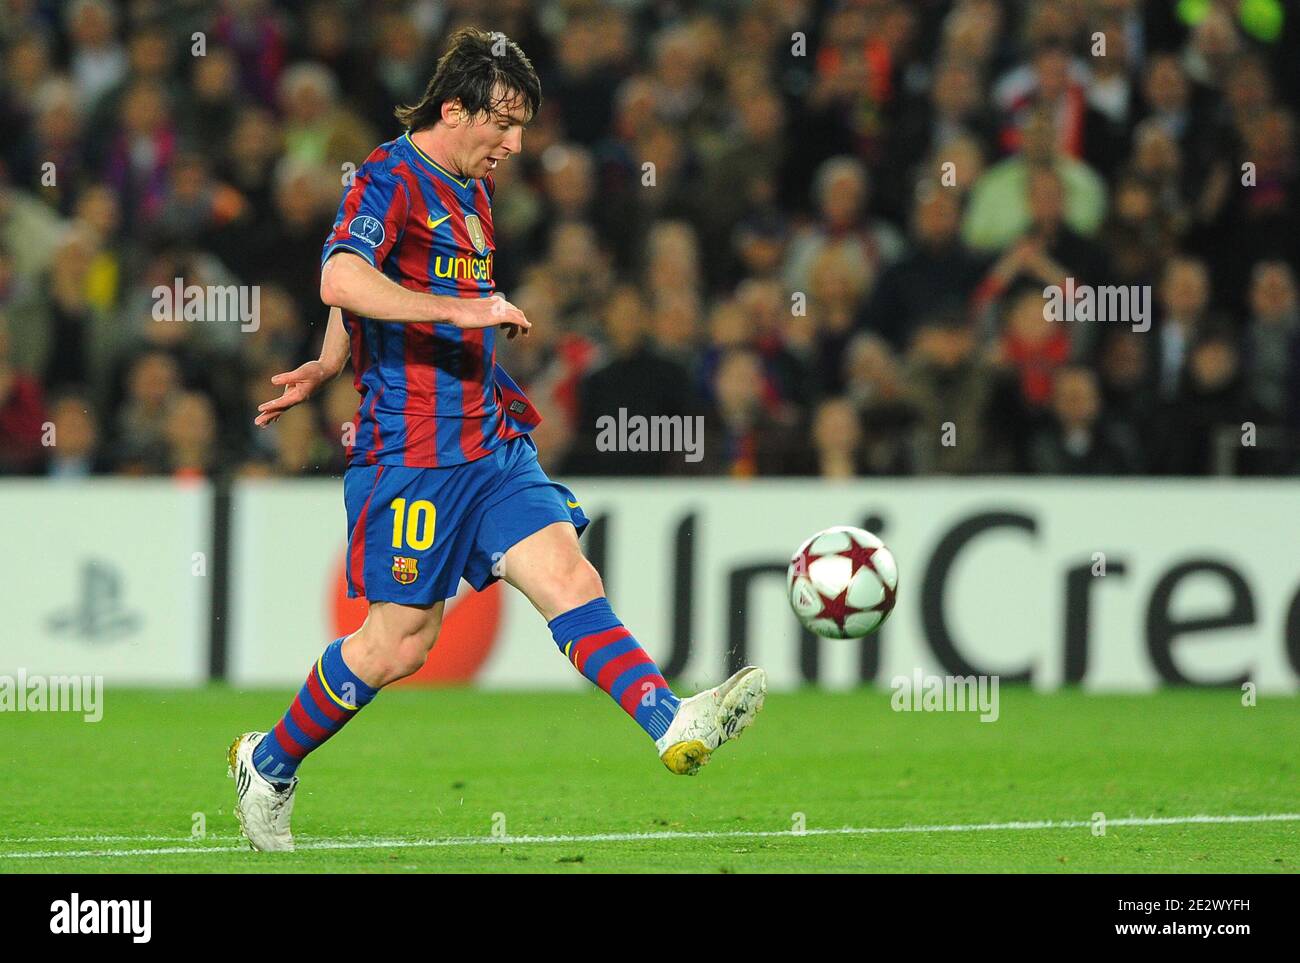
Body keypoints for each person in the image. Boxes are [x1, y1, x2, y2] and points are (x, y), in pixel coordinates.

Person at [225, 28, 766, 852]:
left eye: (522, 128)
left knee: (566, 570)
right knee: (399, 642)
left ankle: (669, 719)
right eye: (504, 126)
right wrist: (457, 309)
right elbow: (341, 273)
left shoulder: (470, 192)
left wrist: (333, 351)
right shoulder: (387, 176)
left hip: (489, 435)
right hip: (409, 451)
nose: (516, 145)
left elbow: (361, 287)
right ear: (453, 108)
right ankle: (268, 761)